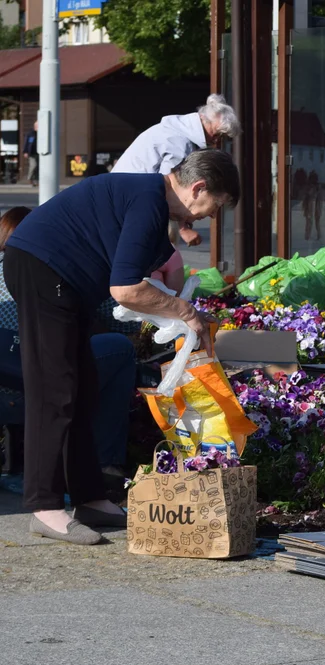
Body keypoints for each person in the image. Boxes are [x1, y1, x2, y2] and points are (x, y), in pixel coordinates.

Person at [4, 149, 240, 545]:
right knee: (56, 390)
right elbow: (126, 289)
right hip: (42, 269)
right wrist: (184, 311)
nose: (209, 218)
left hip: (61, 279)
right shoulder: (148, 201)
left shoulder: (150, 201)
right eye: (213, 207)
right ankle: (44, 507)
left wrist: (187, 312)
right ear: (197, 187)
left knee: (83, 388)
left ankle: (89, 498)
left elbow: (148, 282)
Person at [0, 207, 138, 494]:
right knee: (120, 350)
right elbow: (123, 323)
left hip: (6, 386)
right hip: (48, 387)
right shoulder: (64, 269)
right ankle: (104, 462)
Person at [112, 94, 241, 289]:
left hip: (125, 197)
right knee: (162, 261)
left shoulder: (174, 130)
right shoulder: (179, 142)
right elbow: (173, 190)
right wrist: (184, 228)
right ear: (204, 122)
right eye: (217, 135)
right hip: (129, 204)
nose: (215, 141)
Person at [22, 121, 38, 187]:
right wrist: (25, 151)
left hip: (39, 153)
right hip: (32, 153)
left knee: (38, 167)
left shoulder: (42, 133)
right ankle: (30, 178)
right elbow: (26, 143)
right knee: (33, 165)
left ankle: (36, 181)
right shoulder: (30, 134)